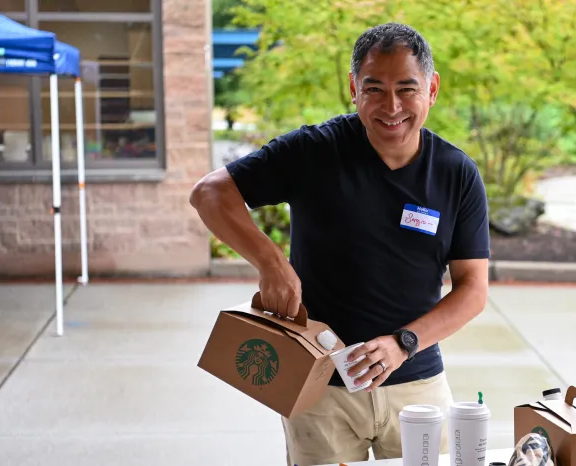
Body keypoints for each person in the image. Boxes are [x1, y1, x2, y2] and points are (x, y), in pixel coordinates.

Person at [189, 22, 490, 465]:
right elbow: (210, 194)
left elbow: (473, 290)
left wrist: (402, 343)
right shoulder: (314, 151)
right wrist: (271, 262)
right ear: (353, 88)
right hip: (317, 388)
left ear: (432, 88)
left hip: (416, 385)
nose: (392, 107)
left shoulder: (456, 173)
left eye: (407, 89)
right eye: (375, 88)